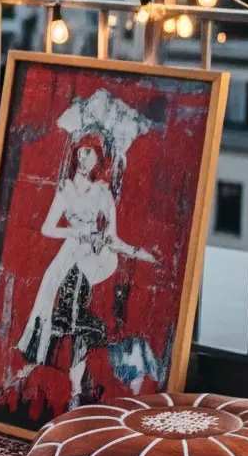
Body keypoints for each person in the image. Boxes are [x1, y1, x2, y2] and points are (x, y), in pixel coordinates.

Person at [15, 134, 156, 403]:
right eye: (82, 152)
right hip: (67, 260)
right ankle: (62, 384)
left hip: (90, 262)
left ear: (99, 160)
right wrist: (76, 231)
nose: (84, 158)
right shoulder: (65, 189)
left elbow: (113, 239)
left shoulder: (103, 193)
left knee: (80, 323)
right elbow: (46, 228)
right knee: (65, 317)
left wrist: (140, 254)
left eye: (90, 153)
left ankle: (75, 392)